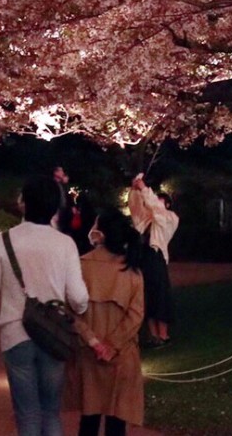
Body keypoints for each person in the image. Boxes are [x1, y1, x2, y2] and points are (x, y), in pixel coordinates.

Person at [0, 177, 91, 436]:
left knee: (27, 415)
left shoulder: (1, 241)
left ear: (23, 203)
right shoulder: (65, 244)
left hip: (15, 334)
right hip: (54, 335)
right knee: (51, 412)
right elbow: (79, 298)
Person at [66, 209, 146, 436]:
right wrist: (111, 345)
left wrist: (94, 343)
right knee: (116, 423)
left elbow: (70, 312)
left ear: (101, 233)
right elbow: (136, 315)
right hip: (121, 356)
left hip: (88, 353)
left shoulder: (81, 265)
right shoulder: (132, 270)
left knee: (88, 420)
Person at [126, 174, 178, 344]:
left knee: (160, 295)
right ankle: (152, 334)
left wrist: (145, 189)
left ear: (168, 205)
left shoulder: (170, 218)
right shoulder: (145, 219)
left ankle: (163, 334)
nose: (156, 202)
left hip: (156, 258)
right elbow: (135, 208)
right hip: (143, 257)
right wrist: (135, 190)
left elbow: (158, 211)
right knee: (146, 295)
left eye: (161, 200)